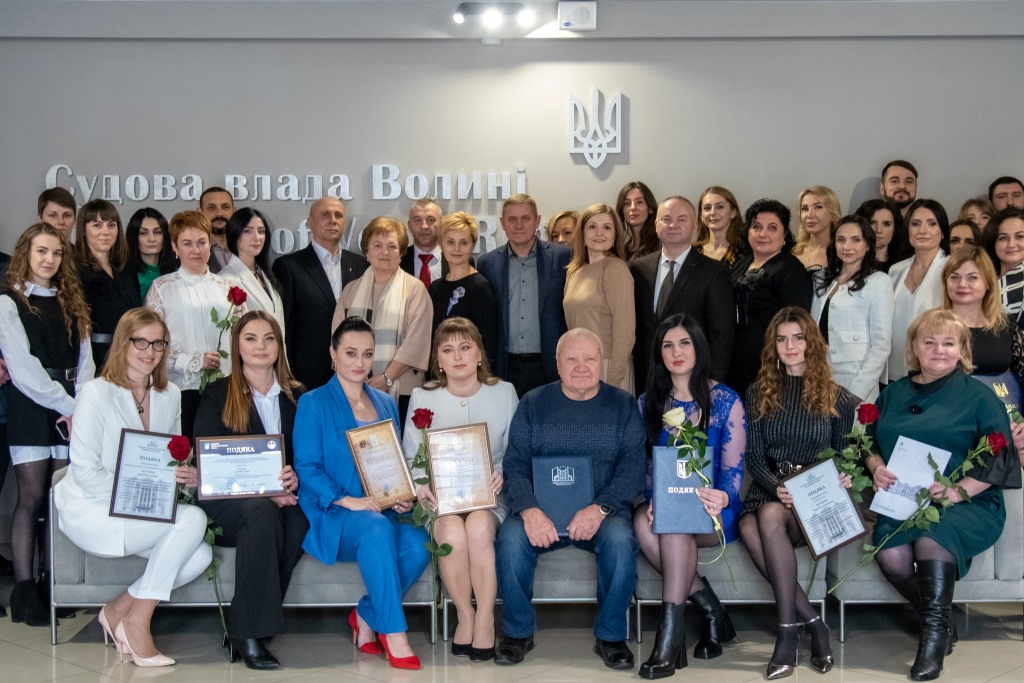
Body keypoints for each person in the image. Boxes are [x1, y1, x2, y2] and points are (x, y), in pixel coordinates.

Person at [867, 309, 1020, 680]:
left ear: (962, 349)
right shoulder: (894, 393)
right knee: (889, 554)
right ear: (914, 347)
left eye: (949, 343)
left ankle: (933, 642)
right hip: (905, 500)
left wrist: (956, 492)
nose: (939, 350)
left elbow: (999, 458)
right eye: (930, 342)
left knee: (932, 536)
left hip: (969, 502)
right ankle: (941, 617)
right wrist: (875, 467)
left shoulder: (980, 397)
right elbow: (867, 443)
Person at [53, 308, 211, 666]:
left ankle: (119, 609)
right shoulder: (95, 392)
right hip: (94, 508)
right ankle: (137, 623)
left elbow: (167, 461)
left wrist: (183, 477)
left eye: (158, 343)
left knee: (201, 555)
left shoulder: (170, 394)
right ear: (123, 343)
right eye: (140, 341)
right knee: (193, 520)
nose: (149, 351)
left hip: (143, 508)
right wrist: (137, 497)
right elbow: (85, 472)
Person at [494, 328, 645, 669]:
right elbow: (514, 464)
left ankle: (611, 636)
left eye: (589, 358)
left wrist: (599, 508)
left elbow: (634, 468)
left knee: (621, 540)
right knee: (511, 539)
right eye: (571, 359)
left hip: (603, 514)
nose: (581, 367)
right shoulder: (533, 403)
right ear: (557, 363)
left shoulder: (623, 405)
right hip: (541, 514)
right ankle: (517, 632)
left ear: (601, 362)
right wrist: (529, 510)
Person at [293, 316, 428, 670]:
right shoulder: (313, 402)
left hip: (381, 508)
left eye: (367, 354)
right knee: (375, 527)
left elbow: (391, 461)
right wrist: (349, 500)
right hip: (335, 511)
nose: (359, 362)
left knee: (419, 542)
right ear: (333, 353)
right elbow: (306, 468)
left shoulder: (385, 403)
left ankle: (367, 614)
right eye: (350, 353)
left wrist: (401, 493)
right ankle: (394, 633)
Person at [739, 307, 857, 679]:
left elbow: (843, 455)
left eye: (798, 338)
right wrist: (776, 487)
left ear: (812, 343)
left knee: (765, 519)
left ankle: (790, 631)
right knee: (752, 522)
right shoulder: (758, 392)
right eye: (782, 339)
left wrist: (845, 477)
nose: (790, 346)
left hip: (813, 499)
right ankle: (809, 625)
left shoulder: (837, 398)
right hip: (771, 489)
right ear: (773, 346)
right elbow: (753, 456)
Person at [193, 311, 307, 670]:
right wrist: (263, 491)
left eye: (269, 338)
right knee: (262, 513)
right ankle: (251, 634)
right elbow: (210, 463)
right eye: (251, 338)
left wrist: (295, 476)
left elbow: (309, 453)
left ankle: (242, 623)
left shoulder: (297, 395)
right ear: (237, 346)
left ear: (279, 345)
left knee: (299, 522)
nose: (261, 346)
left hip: (283, 498)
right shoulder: (217, 394)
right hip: (228, 503)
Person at [634, 314, 745, 677]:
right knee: (646, 522)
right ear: (659, 354)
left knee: (676, 525)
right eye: (667, 346)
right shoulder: (648, 403)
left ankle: (668, 644)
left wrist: (722, 497)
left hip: (714, 509)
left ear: (698, 347)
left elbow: (733, 471)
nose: (676, 352)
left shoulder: (725, 400)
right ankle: (712, 611)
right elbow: (648, 469)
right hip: (671, 504)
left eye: (684, 343)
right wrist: (655, 499)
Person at [403, 318, 518, 662]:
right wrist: (422, 486)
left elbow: (516, 451)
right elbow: (410, 457)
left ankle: (485, 618)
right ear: (437, 360)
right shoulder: (423, 396)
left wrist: (501, 471)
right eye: (448, 349)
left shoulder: (504, 393)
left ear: (479, 354)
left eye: (465, 347)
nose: (457, 357)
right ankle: (465, 615)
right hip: (441, 499)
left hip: (490, 495)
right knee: (452, 532)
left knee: (479, 526)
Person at [0, 223, 93, 627]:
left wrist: (82, 405)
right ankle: (24, 591)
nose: (49, 259)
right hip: (33, 405)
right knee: (32, 496)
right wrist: (67, 405)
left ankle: (51, 583)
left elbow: (86, 361)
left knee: (60, 498)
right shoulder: (9, 301)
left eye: (56, 253)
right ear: (26, 252)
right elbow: (22, 368)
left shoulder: (71, 300)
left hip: (71, 405)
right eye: (41, 251)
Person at [145, 210, 245, 439]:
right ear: (175, 247)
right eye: (187, 243)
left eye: (201, 242)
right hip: (182, 389)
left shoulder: (228, 287)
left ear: (210, 244)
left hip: (227, 387)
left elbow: (242, 334)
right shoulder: (162, 288)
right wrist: (194, 361)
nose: (196, 250)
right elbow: (151, 343)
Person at [333, 216, 432, 425]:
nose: (385, 252)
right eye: (377, 245)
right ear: (366, 252)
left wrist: (387, 377)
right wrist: (355, 374)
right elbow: (337, 338)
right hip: (353, 388)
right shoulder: (350, 290)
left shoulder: (415, 289)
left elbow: (416, 342)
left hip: (401, 388)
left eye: (392, 246)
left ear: (402, 253)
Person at [631, 196, 734, 389]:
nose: (673, 225)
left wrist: (714, 384)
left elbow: (722, 336)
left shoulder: (714, 272)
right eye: (666, 219)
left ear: (695, 227)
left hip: (694, 381)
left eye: (682, 219)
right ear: (656, 225)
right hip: (646, 379)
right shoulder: (638, 268)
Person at [478, 194, 570, 397]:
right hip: (505, 367)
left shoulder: (562, 258)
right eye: (512, 219)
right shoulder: (487, 264)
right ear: (502, 223)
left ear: (537, 221)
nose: (519, 225)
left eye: (525, 218)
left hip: (549, 365)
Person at [273, 197, 368, 391]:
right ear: (310, 223)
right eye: (325, 215)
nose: (333, 220)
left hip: (356, 373)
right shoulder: (289, 267)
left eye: (338, 215)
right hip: (308, 377)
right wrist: (288, 377)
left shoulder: (361, 266)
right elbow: (285, 328)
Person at [730, 198, 812, 397]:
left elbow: (795, 324)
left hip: (770, 364)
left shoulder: (791, 270)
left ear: (784, 235)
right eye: (756, 227)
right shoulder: (741, 263)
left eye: (772, 228)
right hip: (735, 359)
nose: (762, 234)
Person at [811, 215, 893, 402]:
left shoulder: (879, 281)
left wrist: (858, 391)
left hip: (856, 378)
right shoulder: (821, 278)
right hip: (820, 375)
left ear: (868, 245)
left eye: (856, 240)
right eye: (841, 240)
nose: (847, 246)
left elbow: (881, 344)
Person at [563, 203, 636, 392]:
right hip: (579, 368)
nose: (599, 233)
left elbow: (625, 333)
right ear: (582, 233)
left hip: (607, 369)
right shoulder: (574, 271)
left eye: (607, 227)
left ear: (615, 235)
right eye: (592, 226)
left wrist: (613, 381)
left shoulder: (616, 269)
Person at [940, 247, 1024, 396]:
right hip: (946, 407)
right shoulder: (932, 325)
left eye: (972, 277)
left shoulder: (1008, 326)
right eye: (954, 277)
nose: (962, 284)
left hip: (1000, 408)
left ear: (988, 283)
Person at [887, 199, 950, 383]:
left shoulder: (951, 269)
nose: (922, 230)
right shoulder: (895, 270)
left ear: (943, 232)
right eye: (915, 224)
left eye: (931, 224)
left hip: (933, 367)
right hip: (893, 366)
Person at [74, 199, 142, 367]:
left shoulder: (127, 269)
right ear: (83, 230)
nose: (106, 232)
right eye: (97, 225)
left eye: (111, 225)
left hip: (131, 356)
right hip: (95, 360)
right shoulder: (74, 271)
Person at [427, 212, 499, 369]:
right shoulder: (435, 288)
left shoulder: (480, 288)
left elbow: (487, 346)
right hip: (440, 374)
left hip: (470, 375)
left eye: (464, 242)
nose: (456, 249)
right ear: (441, 244)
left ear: (473, 245)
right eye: (450, 242)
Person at [219, 207, 285, 333]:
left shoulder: (265, 274)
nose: (257, 237)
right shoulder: (225, 279)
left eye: (261, 231)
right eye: (248, 231)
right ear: (235, 234)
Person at [982, 207, 1024, 321]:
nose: (1011, 244)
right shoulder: (980, 276)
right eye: (1003, 238)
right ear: (993, 242)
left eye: (1019, 236)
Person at [124, 207, 175, 301]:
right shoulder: (124, 275)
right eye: (143, 233)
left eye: (158, 232)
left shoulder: (177, 269)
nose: (152, 239)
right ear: (133, 237)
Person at [693, 186, 746, 267]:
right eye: (707, 208)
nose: (712, 213)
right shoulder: (692, 252)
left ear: (733, 213)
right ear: (701, 216)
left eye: (720, 207)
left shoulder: (744, 252)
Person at [793, 186, 840, 271]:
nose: (809, 215)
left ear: (833, 214)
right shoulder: (793, 251)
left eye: (818, 207)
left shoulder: (842, 253)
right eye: (805, 209)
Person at [855, 198, 908, 273]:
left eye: (886, 224)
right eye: (872, 223)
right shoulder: (850, 262)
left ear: (895, 229)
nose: (878, 230)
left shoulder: (904, 267)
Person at [400, 199, 444, 284]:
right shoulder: (399, 259)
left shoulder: (457, 259)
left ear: (441, 224)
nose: (424, 226)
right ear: (409, 225)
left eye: (431, 220)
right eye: (417, 220)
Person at [615, 181, 659, 260]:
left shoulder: (660, 244)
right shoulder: (623, 250)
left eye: (639, 202)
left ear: (650, 208)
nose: (633, 207)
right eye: (627, 203)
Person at [198, 186, 235, 273]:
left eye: (225, 207)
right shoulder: (193, 250)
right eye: (211, 208)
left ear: (234, 211)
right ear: (200, 213)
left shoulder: (247, 247)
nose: (219, 213)